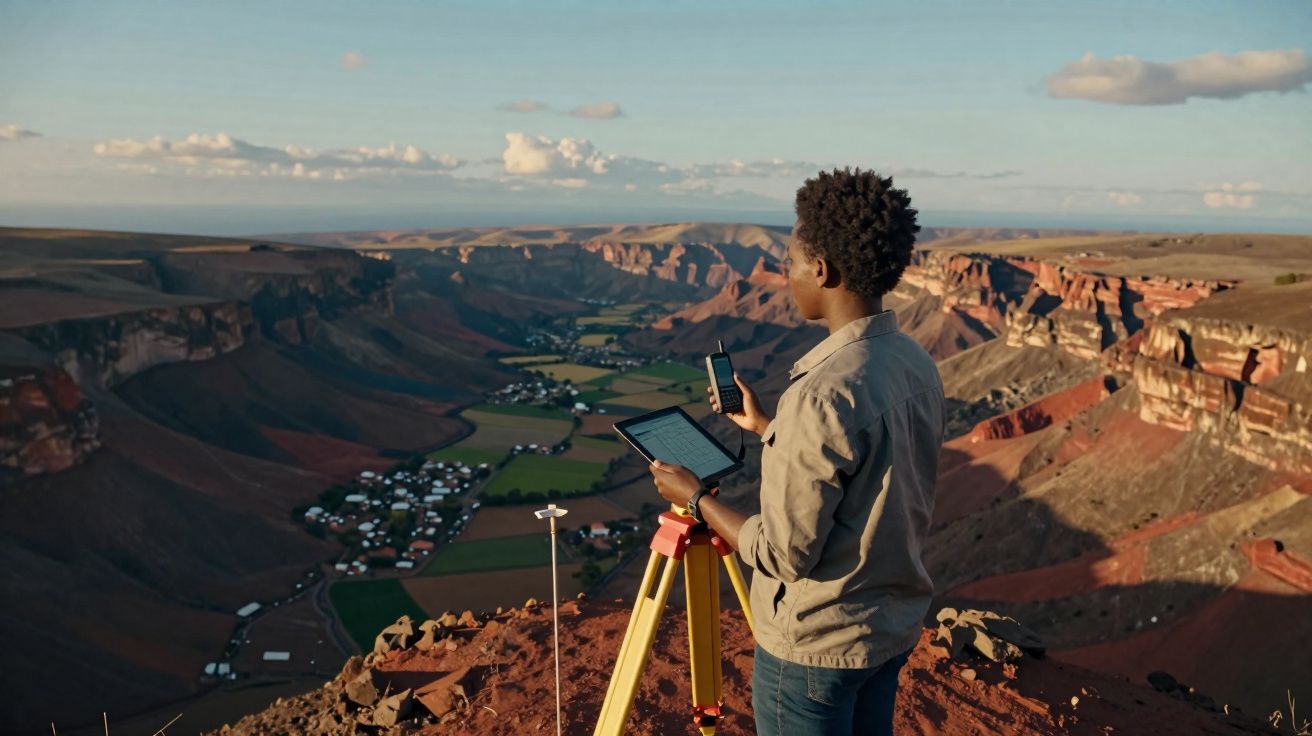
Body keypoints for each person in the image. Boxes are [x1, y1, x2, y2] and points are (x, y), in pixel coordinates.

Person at [650, 168, 945, 736]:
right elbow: (862, 472)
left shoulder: (821, 393)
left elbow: (785, 555)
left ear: (822, 269)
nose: (785, 278)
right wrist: (766, 426)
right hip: (886, 631)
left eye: (788, 264)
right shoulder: (913, 361)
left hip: (815, 653)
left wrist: (697, 498)